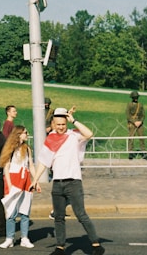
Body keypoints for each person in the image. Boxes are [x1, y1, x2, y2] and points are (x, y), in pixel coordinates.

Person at [30, 108, 105, 255]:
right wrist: (35, 180)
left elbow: (89, 134)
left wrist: (74, 120)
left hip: (73, 182)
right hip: (57, 183)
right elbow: (43, 162)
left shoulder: (73, 135)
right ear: (53, 124)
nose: (61, 127)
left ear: (66, 123)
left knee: (81, 214)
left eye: (63, 124)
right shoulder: (50, 138)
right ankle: (60, 247)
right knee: (58, 217)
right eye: (58, 124)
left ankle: (96, 245)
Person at [0, 126, 37, 249]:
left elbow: (31, 165)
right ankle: (10, 238)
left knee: (25, 211)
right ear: (18, 134)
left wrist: (35, 181)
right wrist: (9, 185)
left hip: (25, 181)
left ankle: (24, 238)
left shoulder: (27, 148)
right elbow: (6, 168)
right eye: (25, 133)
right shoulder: (11, 149)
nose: (27, 134)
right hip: (13, 181)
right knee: (11, 212)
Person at [126, 91, 147, 160]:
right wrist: (134, 122)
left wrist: (140, 121)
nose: (136, 98)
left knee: (141, 138)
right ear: (132, 98)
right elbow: (128, 115)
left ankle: (144, 152)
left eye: (136, 97)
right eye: (134, 97)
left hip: (140, 123)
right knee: (131, 138)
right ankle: (130, 153)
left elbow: (143, 114)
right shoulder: (129, 105)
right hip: (132, 123)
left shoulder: (140, 105)